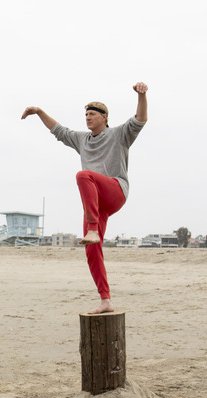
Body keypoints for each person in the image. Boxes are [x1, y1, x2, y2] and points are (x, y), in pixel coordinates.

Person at [21, 82, 148, 314]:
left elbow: (140, 119)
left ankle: (91, 229)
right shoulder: (82, 140)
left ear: (104, 117)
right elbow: (59, 131)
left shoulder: (118, 134)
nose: (88, 118)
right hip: (96, 205)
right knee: (91, 250)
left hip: (115, 191)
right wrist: (39, 112)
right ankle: (105, 299)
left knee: (83, 175)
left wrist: (142, 95)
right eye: (86, 115)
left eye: (92, 114)